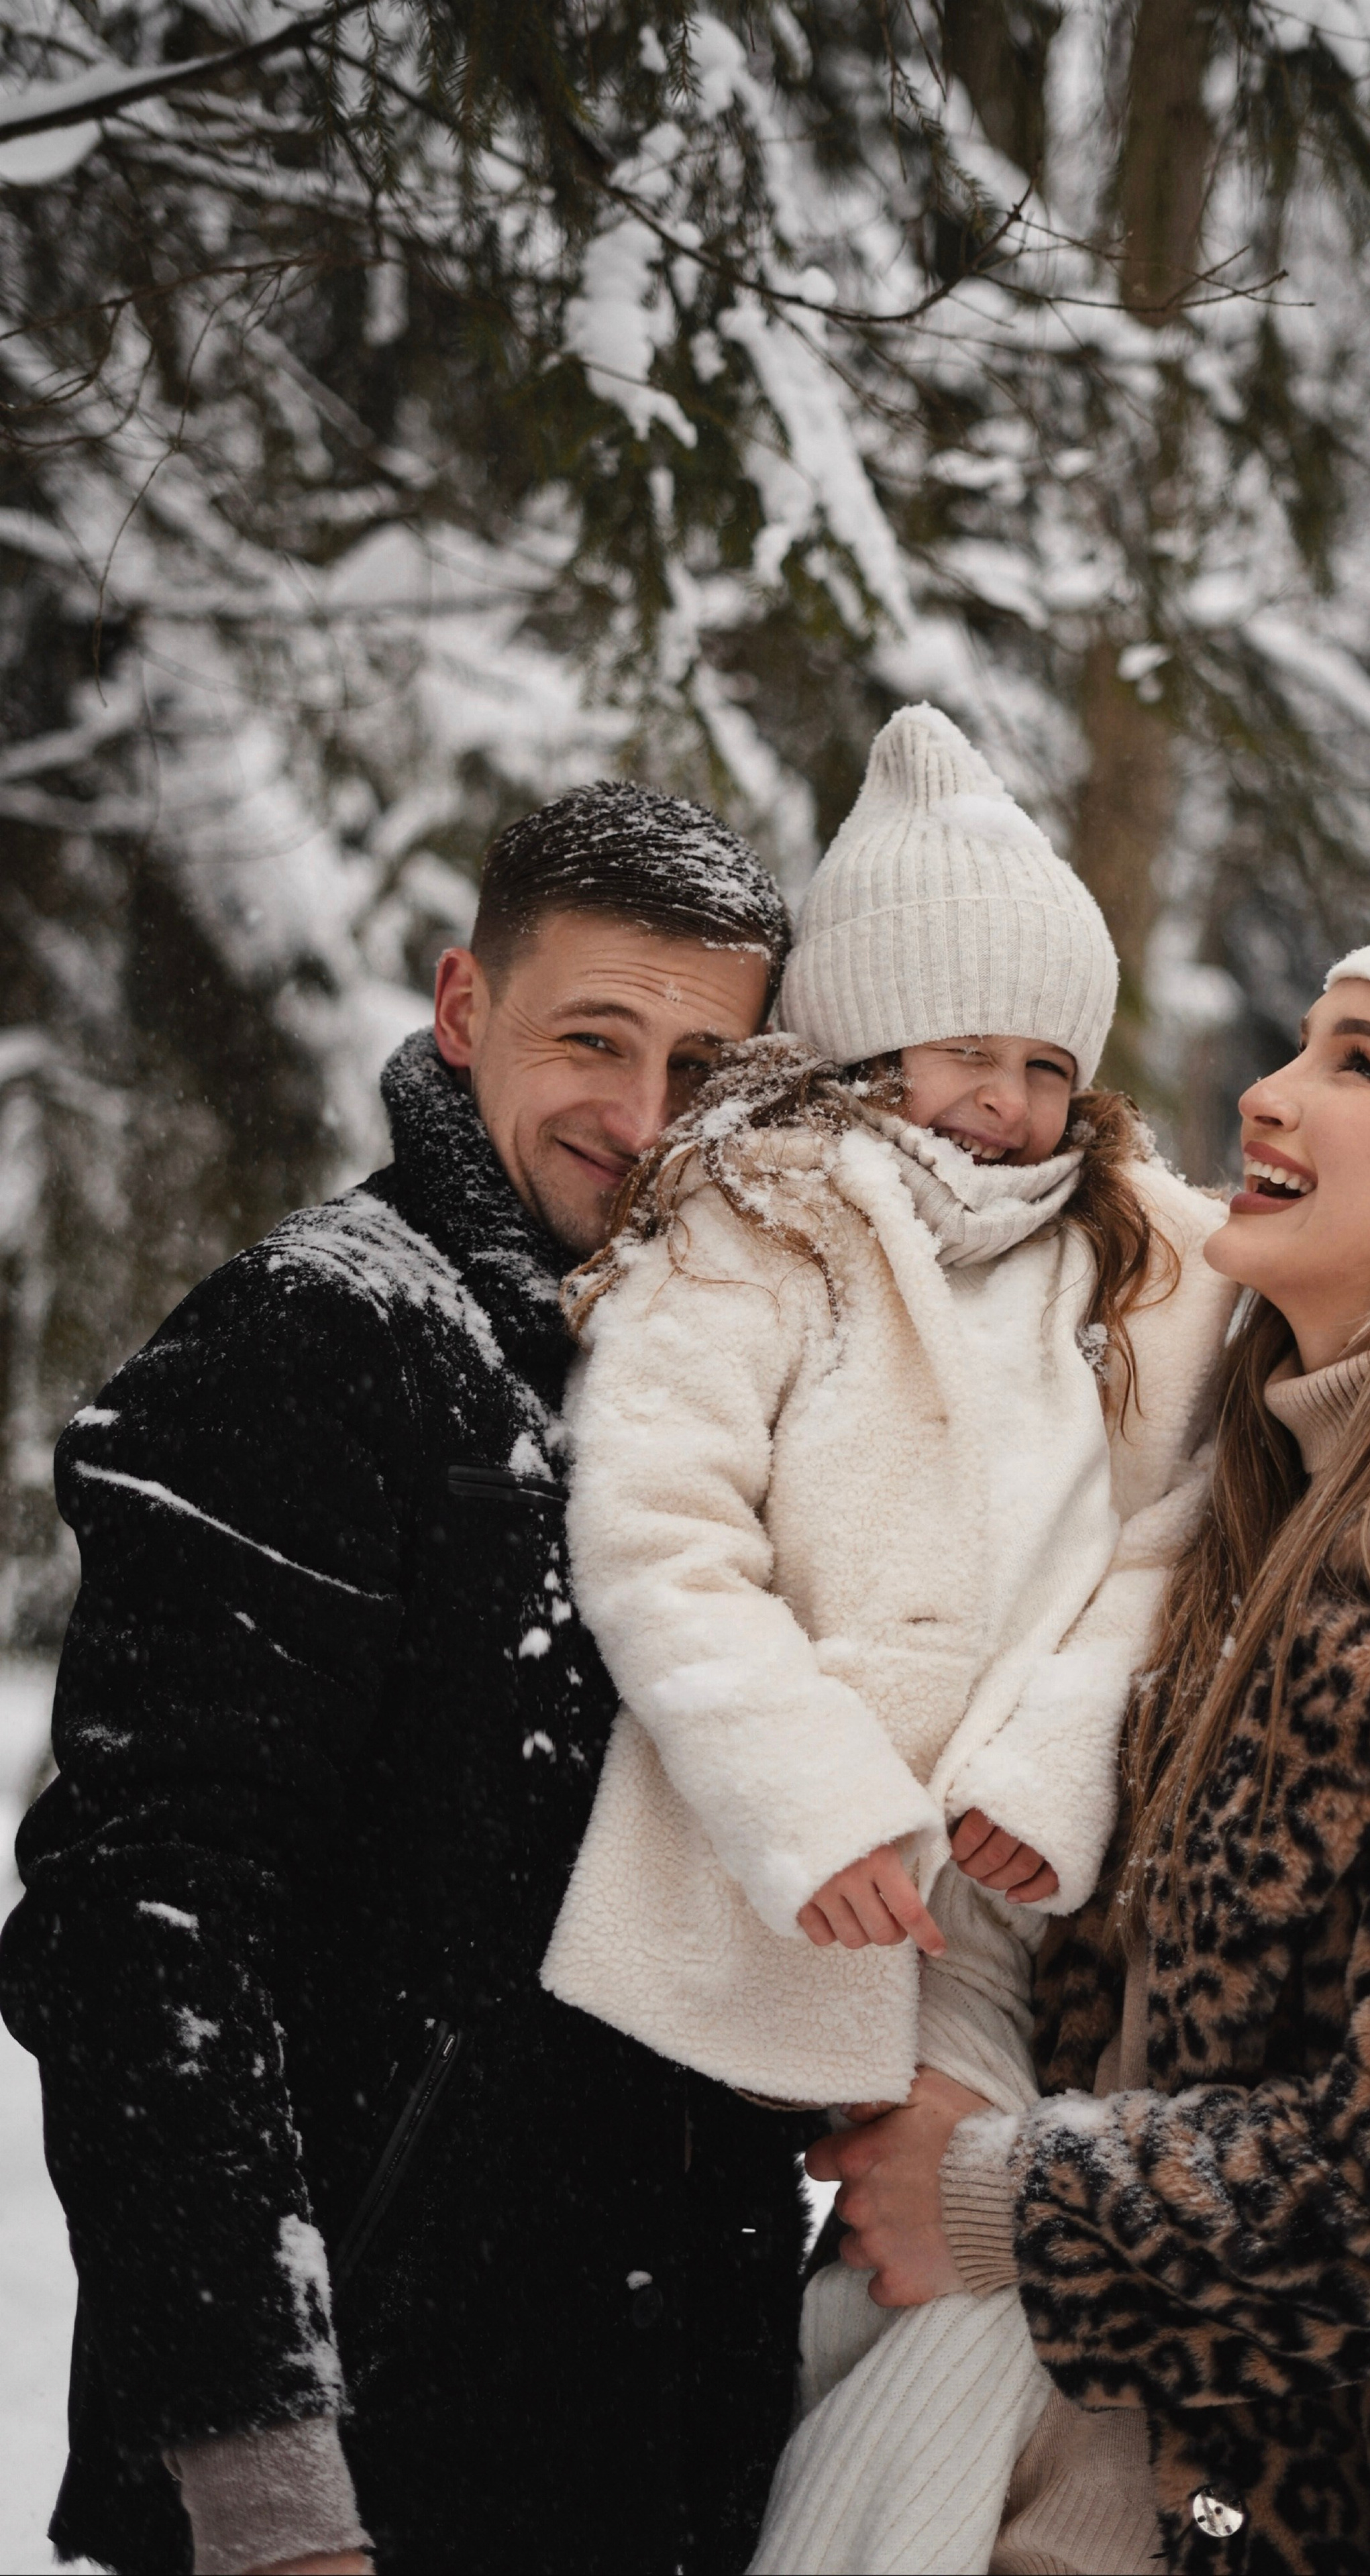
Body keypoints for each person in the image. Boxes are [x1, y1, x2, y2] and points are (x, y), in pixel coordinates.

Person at [812, 914, 1370, 2576]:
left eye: (1355, 1063)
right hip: (1102, 2507)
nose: (1269, 1096)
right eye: (1298, 1042)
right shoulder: (1255, 1501)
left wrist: (1005, 2198)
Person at [0, 784, 810, 2576]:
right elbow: (146, 1933)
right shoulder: (321, 1338)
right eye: (591, 1038)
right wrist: (265, 2481)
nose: (641, 1114)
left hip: (652, 2457)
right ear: (464, 1010)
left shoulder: (730, 1388)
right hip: (363, 2475)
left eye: (703, 1064)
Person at [536, 704, 1235, 2573]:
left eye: (1041, 1061)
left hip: (1026, 1883)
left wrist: (1052, 1755)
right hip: (816, 1876)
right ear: (856, 1041)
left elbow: (1182, 1541)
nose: (1003, 1104)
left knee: (960, 2262)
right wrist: (812, 1796)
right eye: (960, 1050)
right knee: (925, 2249)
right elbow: (660, 1540)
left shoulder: (1148, 1256)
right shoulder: (753, 1226)